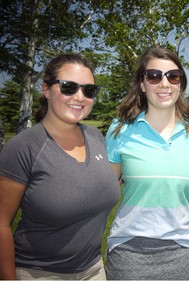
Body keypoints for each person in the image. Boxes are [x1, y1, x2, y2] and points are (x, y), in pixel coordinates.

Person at [0, 53, 120, 280]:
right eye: (69, 87)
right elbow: (1, 224)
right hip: (40, 273)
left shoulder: (95, 136)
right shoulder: (23, 148)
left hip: (94, 269)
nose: (80, 96)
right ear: (46, 90)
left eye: (89, 90)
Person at [104, 47, 189, 280]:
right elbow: (105, 193)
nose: (164, 83)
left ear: (180, 83)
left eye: (173, 76)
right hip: (128, 249)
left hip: (181, 250)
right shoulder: (120, 130)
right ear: (142, 84)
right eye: (154, 76)